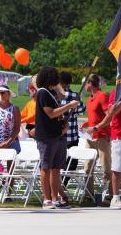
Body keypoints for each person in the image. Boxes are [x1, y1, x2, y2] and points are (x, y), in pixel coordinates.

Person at [34, 66, 78, 209]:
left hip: (58, 135)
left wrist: (64, 124)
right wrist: (69, 106)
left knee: (56, 169)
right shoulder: (42, 93)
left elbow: (59, 106)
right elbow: (51, 113)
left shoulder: (52, 93)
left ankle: (55, 198)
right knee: (45, 168)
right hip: (47, 137)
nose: (57, 80)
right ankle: (46, 199)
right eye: (55, 77)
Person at [80, 74, 112, 203]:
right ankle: (89, 195)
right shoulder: (90, 99)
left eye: (85, 84)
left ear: (90, 83)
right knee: (87, 168)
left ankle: (110, 195)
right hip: (90, 137)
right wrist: (86, 125)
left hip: (102, 137)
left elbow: (109, 116)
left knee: (106, 168)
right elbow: (93, 118)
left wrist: (97, 127)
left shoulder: (102, 96)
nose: (84, 87)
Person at [0, 85, 20, 195]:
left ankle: (9, 194)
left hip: (11, 141)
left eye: (3, 92)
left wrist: (8, 142)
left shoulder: (14, 109)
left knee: (10, 168)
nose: (1, 94)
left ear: (8, 94)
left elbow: (17, 128)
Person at [59, 72, 85, 155]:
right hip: (72, 136)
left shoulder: (54, 95)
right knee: (71, 165)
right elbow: (82, 111)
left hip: (58, 135)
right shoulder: (75, 96)